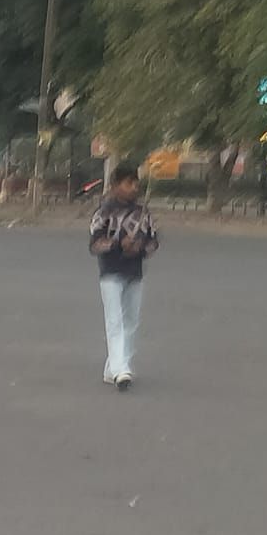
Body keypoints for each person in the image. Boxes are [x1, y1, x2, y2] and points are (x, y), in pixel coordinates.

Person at [88, 163, 159, 392]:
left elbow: (153, 241)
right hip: (111, 272)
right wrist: (119, 244)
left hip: (134, 272)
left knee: (131, 322)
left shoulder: (143, 213)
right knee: (115, 321)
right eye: (128, 183)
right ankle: (121, 369)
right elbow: (95, 245)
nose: (134, 187)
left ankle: (114, 368)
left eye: (136, 183)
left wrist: (140, 247)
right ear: (115, 185)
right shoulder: (104, 213)